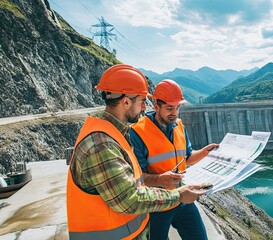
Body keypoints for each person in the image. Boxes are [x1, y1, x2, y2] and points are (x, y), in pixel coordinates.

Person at [66, 65, 207, 240]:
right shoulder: (101, 145)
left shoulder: (114, 134)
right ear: (126, 102)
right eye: (141, 102)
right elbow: (128, 199)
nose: (143, 108)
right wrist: (178, 195)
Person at [130, 79, 219, 240]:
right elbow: (137, 178)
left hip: (182, 200)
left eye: (177, 108)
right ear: (156, 106)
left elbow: (188, 157)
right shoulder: (137, 132)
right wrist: (161, 180)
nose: (175, 113)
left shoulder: (179, 126)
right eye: (169, 108)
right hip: (157, 205)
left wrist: (205, 152)